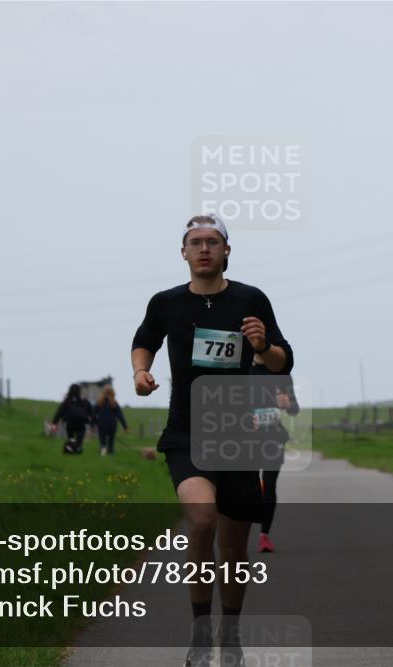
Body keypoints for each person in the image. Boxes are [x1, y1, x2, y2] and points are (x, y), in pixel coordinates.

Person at [131, 214, 293, 667]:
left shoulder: (251, 298)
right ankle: (201, 637)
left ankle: (232, 635)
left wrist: (262, 347)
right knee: (202, 523)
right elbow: (144, 341)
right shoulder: (165, 303)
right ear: (182, 253)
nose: (204, 249)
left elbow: (282, 362)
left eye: (213, 242)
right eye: (195, 242)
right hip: (186, 433)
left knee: (234, 548)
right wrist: (140, 372)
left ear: (227, 251)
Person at [249, 359, 299, 554]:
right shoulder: (244, 367)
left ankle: (264, 536)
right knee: (247, 487)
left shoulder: (281, 372)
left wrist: (288, 403)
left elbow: (295, 409)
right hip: (246, 439)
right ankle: (238, 533)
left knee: (268, 484)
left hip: (274, 438)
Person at [51, 383, 93, 454]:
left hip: (70, 424)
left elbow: (59, 412)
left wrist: (55, 422)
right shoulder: (85, 402)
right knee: (79, 441)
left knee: (71, 439)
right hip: (81, 424)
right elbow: (91, 413)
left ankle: (70, 449)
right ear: (79, 391)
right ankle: (76, 450)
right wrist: (92, 423)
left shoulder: (67, 401)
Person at [92, 385, 128, 455]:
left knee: (103, 442)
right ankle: (110, 451)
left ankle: (103, 450)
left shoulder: (99, 402)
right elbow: (120, 415)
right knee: (111, 442)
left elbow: (93, 414)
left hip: (101, 424)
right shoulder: (114, 403)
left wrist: (93, 424)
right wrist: (125, 427)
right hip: (112, 425)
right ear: (113, 393)